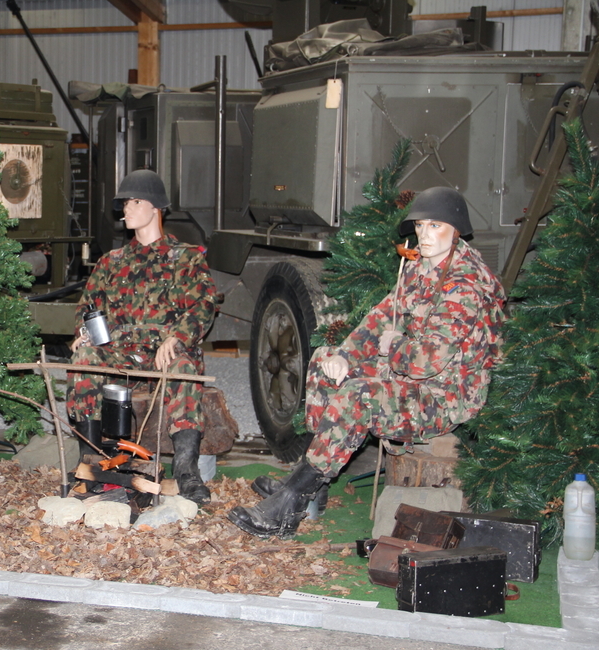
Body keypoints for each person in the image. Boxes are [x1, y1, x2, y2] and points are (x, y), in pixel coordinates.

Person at [229, 187, 507, 538]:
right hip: (416, 379)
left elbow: (424, 363)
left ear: (456, 230)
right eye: (420, 226)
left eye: (435, 226)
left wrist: (394, 347)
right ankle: (315, 481)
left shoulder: (464, 287)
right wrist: (345, 356)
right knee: (323, 363)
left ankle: (292, 503)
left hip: (447, 396)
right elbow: (381, 317)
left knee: (357, 397)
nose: (424, 235)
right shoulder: (422, 268)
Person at [67, 170, 219, 505]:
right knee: (84, 360)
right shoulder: (112, 262)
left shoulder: (187, 258)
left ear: (157, 208)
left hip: (165, 350)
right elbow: (88, 307)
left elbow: (203, 304)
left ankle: (186, 471)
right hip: (122, 351)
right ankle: (90, 464)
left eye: (136, 201)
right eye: (125, 202)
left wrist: (176, 337)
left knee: (183, 366)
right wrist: (86, 335)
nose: (127, 207)